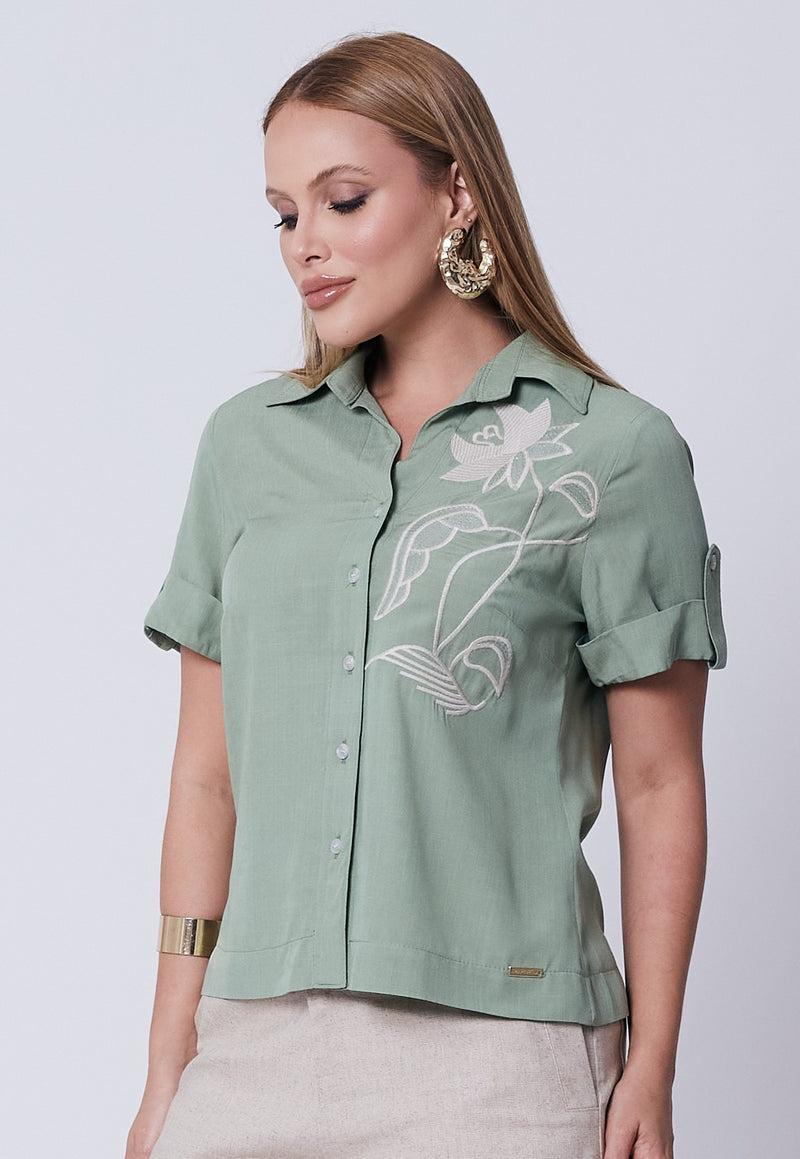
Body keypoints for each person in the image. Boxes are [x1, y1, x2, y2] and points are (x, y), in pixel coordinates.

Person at [126, 29, 727, 1159]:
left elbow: (658, 782)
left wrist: (651, 1062)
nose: (305, 244)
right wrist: (169, 1061)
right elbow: (206, 778)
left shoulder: (611, 453)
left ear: (456, 192)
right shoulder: (246, 447)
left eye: (343, 199)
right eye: (283, 214)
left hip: (502, 1068)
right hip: (249, 1048)